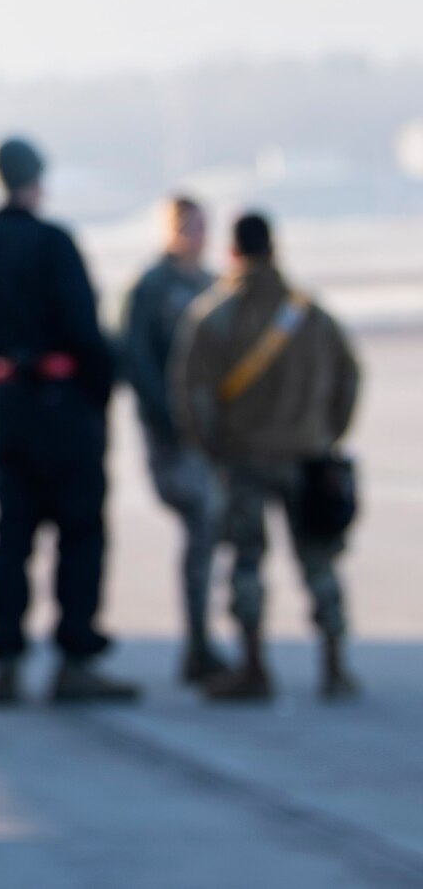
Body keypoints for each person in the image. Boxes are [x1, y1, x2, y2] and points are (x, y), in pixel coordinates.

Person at [0, 137, 138, 706]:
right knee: (79, 534)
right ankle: (74, 656)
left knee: (13, 538)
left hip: (10, 410)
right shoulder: (53, 245)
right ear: (35, 181)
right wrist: (94, 395)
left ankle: (6, 658)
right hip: (64, 406)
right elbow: (86, 330)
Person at [171, 212, 361, 702]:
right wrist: (327, 433)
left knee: (247, 563)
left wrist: (212, 449)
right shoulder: (311, 313)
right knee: (319, 562)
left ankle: (254, 666)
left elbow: (191, 394)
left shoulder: (214, 315)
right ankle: (335, 665)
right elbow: (350, 376)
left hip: (245, 459)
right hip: (308, 454)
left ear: (232, 253)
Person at [119, 195, 227, 684]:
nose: (194, 235)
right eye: (185, 226)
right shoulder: (152, 288)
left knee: (218, 531)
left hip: (211, 434)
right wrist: (170, 416)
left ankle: (207, 641)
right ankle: (199, 643)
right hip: (171, 435)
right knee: (201, 520)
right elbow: (137, 360)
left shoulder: (211, 286)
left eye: (201, 226)